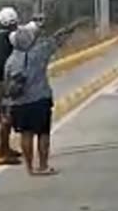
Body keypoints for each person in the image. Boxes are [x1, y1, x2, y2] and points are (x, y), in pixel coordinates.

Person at [4, 18, 78, 175]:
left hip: (20, 102)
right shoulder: (39, 52)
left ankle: (29, 168)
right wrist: (70, 28)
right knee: (43, 133)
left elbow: (6, 83)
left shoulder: (10, 60)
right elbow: (57, 41)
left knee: (26, 134)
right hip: (40, 99)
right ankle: (43, 165)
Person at [0, 7, 23, 165]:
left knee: (5, 118)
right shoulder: (7, 39)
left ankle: (6, 148)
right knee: (6, 119)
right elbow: (6, 64)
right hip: (4, 85)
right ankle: (2, 152)